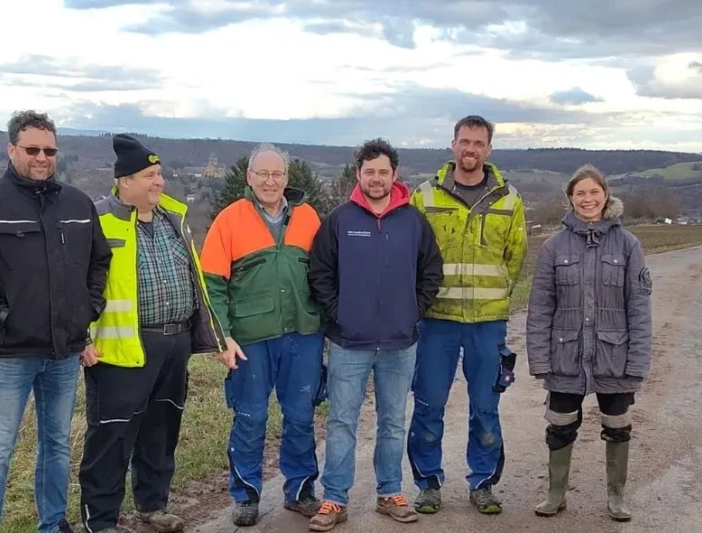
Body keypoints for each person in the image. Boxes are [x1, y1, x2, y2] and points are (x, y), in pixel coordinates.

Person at [0, 110, 111, 533]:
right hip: (10, 352)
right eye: (32, 149)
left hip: (64, 351)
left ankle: (52, 524)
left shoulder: (76, 203)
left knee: (56, 446)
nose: (42, 157)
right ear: (12, 149)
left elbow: (99, 260)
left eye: (49, 150)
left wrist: (88, 308)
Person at [78, 134, 227, 533]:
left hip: (174, 344)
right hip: (120, 348)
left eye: (159, 174)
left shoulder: (173, 219)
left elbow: (195, 280)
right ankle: (101, 520)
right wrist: (81, 338)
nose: (159, 182)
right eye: (149, 175)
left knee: (162, 430)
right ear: (124, 180)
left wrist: (212, 336)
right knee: (111, 437)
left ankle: (153, 506)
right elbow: (76, 284)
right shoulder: (98, 220)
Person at [307, 138, 443, 532]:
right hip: (350, 342)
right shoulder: (339, 220)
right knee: (341, 422)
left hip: (401, 343)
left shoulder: (414, 221)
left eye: (384, 171)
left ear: (394, 175)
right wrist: (341, 315)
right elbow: (320, 273)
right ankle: (334, 499)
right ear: (358, 174)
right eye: (370, 171)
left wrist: (413, 312)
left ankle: (390, 493)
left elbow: (431, 272)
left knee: (393, 421)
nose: (377, 178)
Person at [407, 115, 528, 515]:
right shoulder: (425, 196)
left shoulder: (509, 200)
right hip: (437, 319)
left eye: (478, 143)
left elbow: (515, 258)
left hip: (486, 322)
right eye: (464, 142)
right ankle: (428, 483)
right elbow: (411, 254)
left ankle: (483, 484)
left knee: (485, 407)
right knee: (428, 403)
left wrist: (491, 296)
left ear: (489, 149)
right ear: (453, 144)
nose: (470, 149)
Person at [200, 143, 326, 527]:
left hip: (303, 334)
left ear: (287, 179)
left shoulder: (307, 217)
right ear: (249, 178)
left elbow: (325, 276)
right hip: (250, 338)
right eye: (263, 174)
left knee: (302, 415)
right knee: (250, 416)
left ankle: (301, 489)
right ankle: (246, 495)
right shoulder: (230, 219)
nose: (270, 181)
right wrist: (222, 338)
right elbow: (212, 284)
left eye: (278, 174)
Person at [526, 164, 652, 522]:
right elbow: (539, 308)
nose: (588, 199)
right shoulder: (553, 247)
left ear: (605, 195)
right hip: (566, 355)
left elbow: (640, 309)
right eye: (580, 193)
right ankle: (555, 494)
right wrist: (540, 360)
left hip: (616, 356)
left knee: (617, 426)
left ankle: (617, 497)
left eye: (594, 192)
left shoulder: (628, 245)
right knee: (560, 424)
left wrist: (638, 362)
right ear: (570, 199)